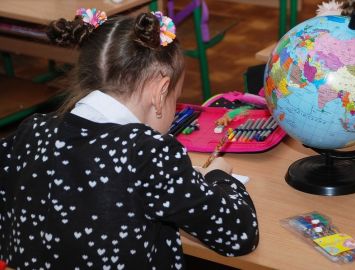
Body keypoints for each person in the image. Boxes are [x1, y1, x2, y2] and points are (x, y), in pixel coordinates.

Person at [0, 9, 259, 269]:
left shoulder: (31, 130)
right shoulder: (148, 152)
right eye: (175, 100)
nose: (174, 109)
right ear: (160, 92)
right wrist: (219, 176)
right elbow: (239, 235)